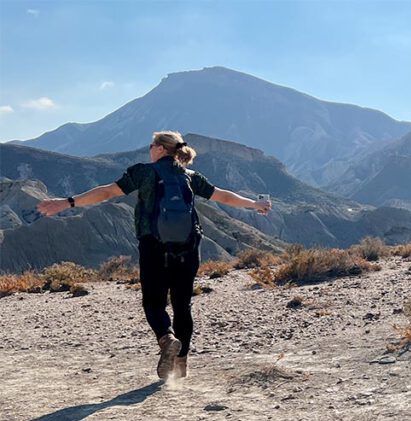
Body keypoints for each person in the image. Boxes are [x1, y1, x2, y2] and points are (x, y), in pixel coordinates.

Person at [37, 131, 272, 381]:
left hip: (154, 246)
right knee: (183, 305)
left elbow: (107, 192)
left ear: (160, 149)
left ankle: (166, 338)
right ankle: (181, 366)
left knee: (154, 302)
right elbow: (223, 195)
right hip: (189, 245)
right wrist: (254, 205)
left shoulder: (143, 172)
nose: (149, 149)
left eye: (151, 146)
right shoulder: (190, 176)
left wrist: (68, 202)